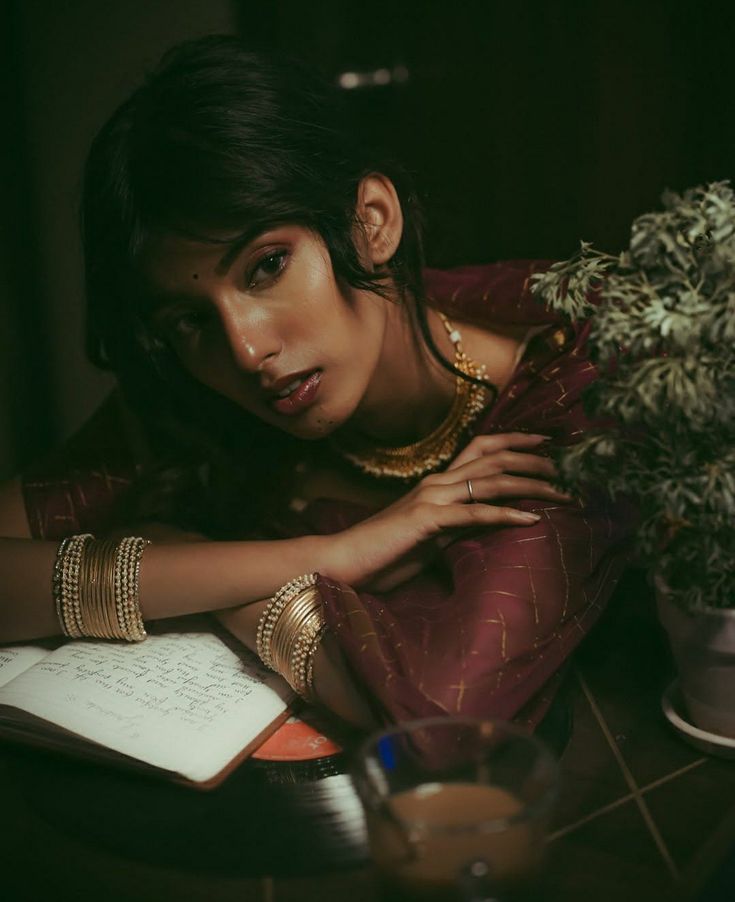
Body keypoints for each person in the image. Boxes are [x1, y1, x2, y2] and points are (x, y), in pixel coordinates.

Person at [0, 36, 633, 731]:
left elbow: (447, 722)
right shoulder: (193, 395)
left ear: (371, 224)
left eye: (266, 267)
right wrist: (322, 558)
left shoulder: (565, 391)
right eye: (188, 318)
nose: (243, 350)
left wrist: (188, 563)